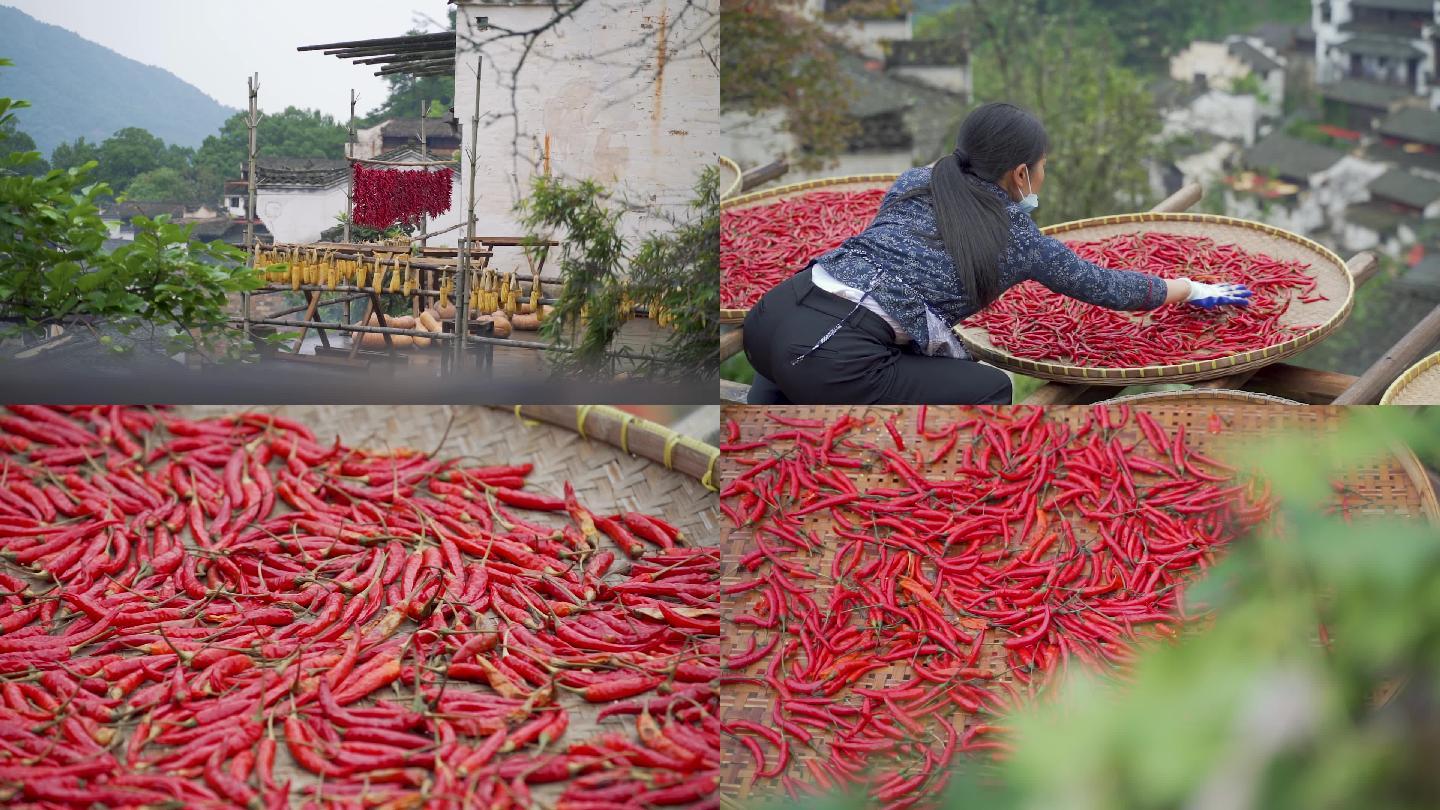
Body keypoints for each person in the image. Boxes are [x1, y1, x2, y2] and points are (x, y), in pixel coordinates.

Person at [741, 102, 1252, 405]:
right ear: (1020, 174)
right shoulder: (1016, 237)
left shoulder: (916, 181)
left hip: (771, 320)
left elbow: (890, 265)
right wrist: (1186, 288)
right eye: (1043, 166)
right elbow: (1108, 288)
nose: (1044, 176)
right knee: (990, 389)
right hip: (831, 355)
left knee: (792, 381)